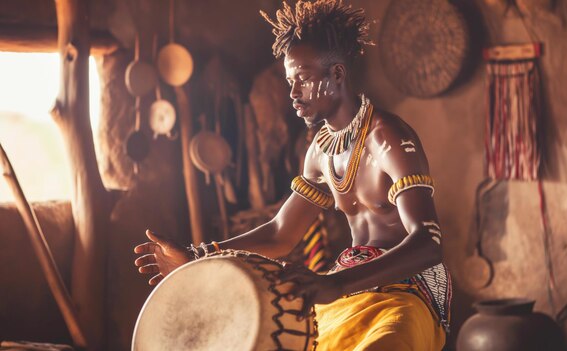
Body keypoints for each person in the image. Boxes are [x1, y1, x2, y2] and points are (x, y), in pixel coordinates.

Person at [134, 0, 451, 349]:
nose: (293, 93)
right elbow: (280, 234)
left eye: (302, 78)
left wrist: (335, 286)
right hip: (348, 287)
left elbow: (429, 243)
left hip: (408, 289)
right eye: (289, 80)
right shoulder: (319, 150)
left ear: (337, 75)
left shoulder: (387, 136)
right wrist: (197, 256)